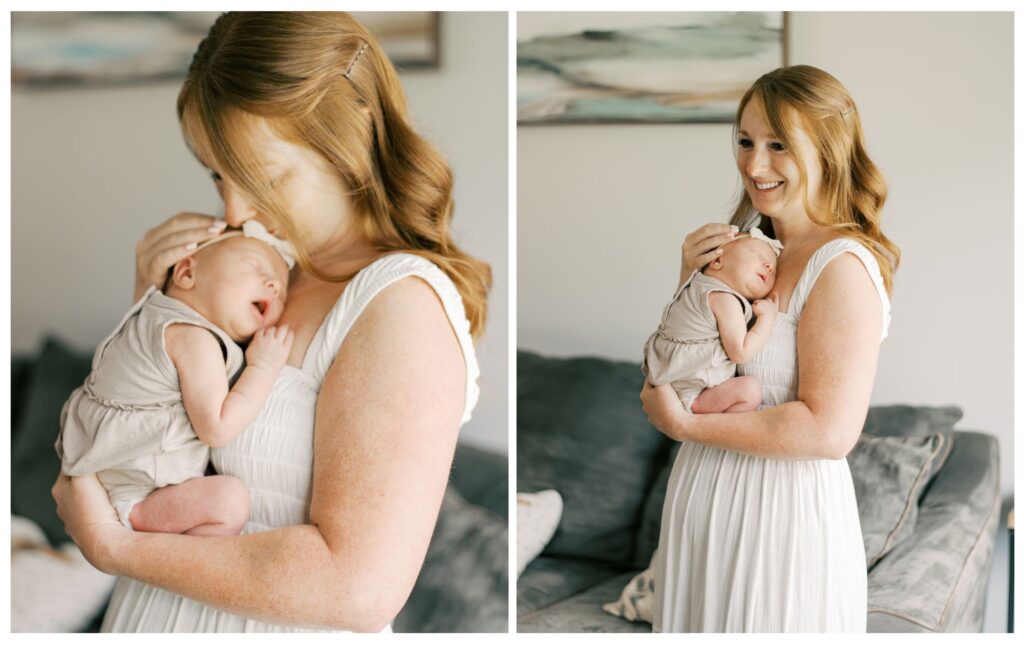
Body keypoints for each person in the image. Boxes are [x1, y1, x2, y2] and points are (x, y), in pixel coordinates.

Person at [51, 12, 491, 633]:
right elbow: (140, 441)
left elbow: (357, 588)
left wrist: (113, 548)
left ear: (351, 137)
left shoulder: (399, 305)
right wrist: (155, 314)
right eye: (216, 174)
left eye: (263, 176)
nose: (232, 207)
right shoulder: (257, 274)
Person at [642, 65, 899, 632]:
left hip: (781, 521)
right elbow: (677, 370)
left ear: (829, 151)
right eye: (745, 141)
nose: (754, 166)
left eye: (779, 145)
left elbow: (829, 431)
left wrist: (687, 428)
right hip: (703, 509)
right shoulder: (750, 252)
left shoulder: (842, 268)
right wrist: (691, 281)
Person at [56, 225, 293, 538]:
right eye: (255, 266)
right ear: (185, 273)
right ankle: (142, 519)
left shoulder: (154, 315)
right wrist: (263, 366)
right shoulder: (192, 336)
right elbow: (217, 427)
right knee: (230, 502)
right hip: (138, 492)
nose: (274, 285)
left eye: (283, 292)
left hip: (110, 468)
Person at [641, 229, 781, 415]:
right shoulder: (724, 299)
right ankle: (720, 429)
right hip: (692, 394)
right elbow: (740, 352)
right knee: (750, 390)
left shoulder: (695, 285)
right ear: (717, 261)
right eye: (757, 255)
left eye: (773, 269)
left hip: (670, 378)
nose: (769, 267)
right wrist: (767, 318)